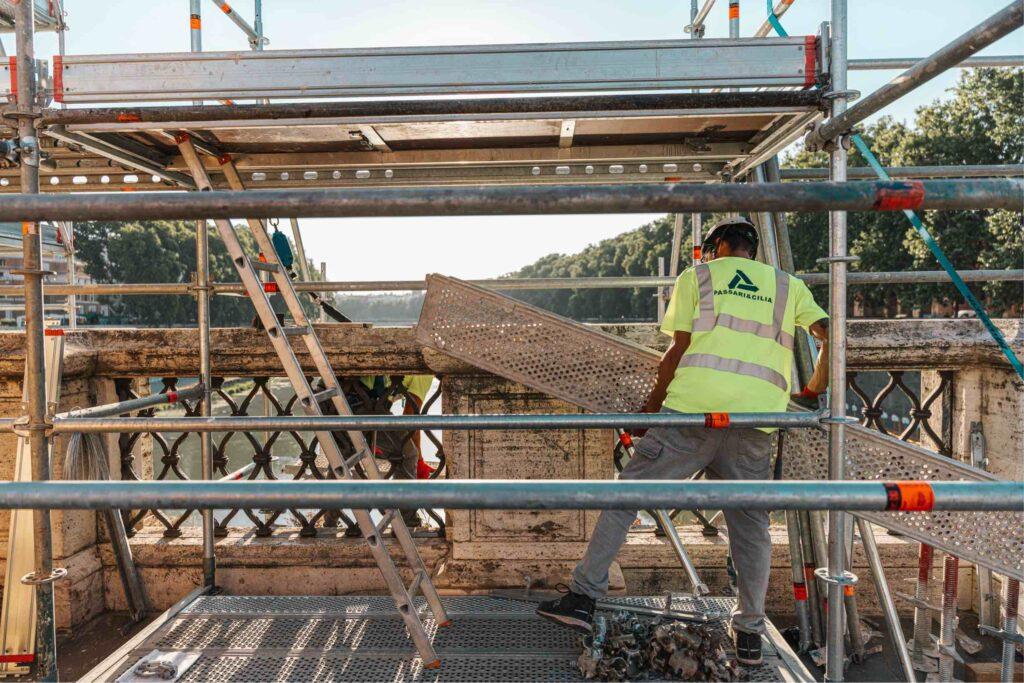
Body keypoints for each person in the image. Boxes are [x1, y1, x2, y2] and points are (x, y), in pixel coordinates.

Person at [535, 216, 830, 666]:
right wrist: (810, 391)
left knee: (626, 497)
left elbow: (676, 353)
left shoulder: (699, 276)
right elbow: (833, 336)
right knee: (750, 526)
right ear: (752, 250)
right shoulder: (788, 286)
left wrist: (650, 410)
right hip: (755, 420)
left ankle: (583, 597)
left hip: (692, 413)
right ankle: (750, 632)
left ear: (719, 246)